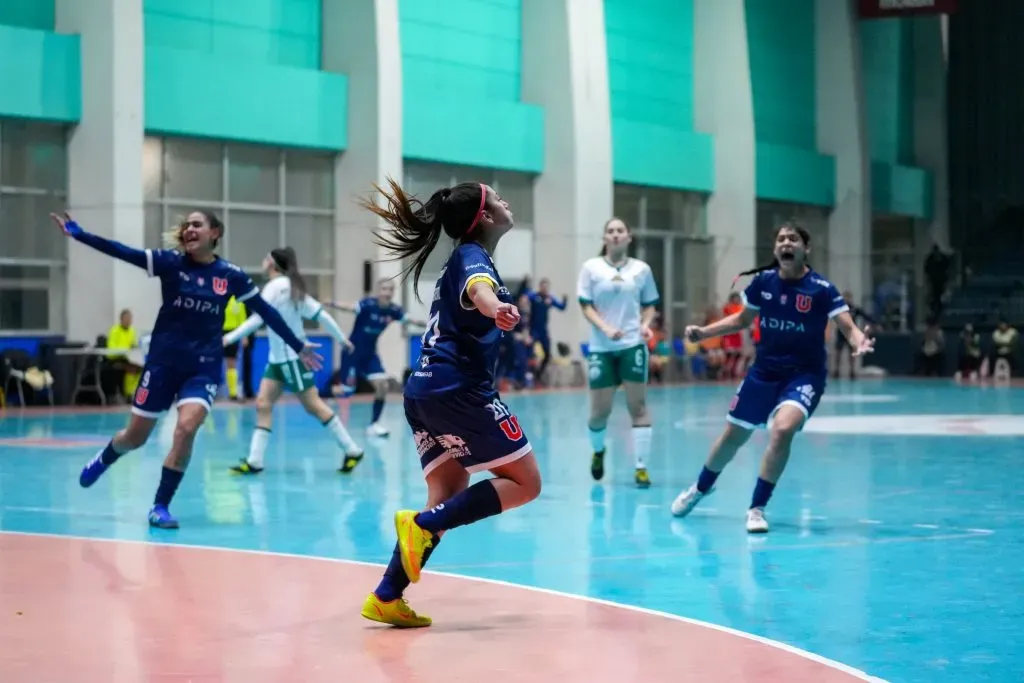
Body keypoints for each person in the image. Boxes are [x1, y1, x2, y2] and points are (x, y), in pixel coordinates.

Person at [57, 210, 321, 529]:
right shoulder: (170, 263)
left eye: (198, 224)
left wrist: (298, 345)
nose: (190, 229)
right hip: (163, 365)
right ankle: (104, 459)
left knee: (186, 428)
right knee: (135, 437)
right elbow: (123, 252)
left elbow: (267, 313)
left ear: (215, 233)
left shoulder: (231, 275)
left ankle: (160, 506)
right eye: (187, 225)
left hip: (203, 368)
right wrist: (80, 234)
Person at [358, 179, 542, 628]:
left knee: (447, 493)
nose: (506, 200)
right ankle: (420, 526)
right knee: (526, 483)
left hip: (422, 391)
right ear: (484, 217)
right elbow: (480, 291)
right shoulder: (473, 258)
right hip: (458, 391)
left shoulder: (460, 260)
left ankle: (387, 594)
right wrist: (495, 306)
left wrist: (491, 304)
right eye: (498, 198)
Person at [670, 222, 873, 533]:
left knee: (782, 429)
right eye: (780, 239)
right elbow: (742, 319)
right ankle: (700, 488)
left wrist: (859, 340)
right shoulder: (763, 283)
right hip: (764, 371)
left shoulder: (821, 289)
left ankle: (757, 508)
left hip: (804, 376)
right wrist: (703, 332)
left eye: (793, 239)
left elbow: (846, 325)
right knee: (733, 436)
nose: (785, 243)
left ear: (806, 249)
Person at [222, 247, 365, 475]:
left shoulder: (276, 287)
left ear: (272, 263)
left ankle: (352, 449)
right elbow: (322, 315)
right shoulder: (291, 287)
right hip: (277, 361)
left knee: (314, 406)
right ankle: (255, 461)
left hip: (291, 359)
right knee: (263, 404)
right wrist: (341, 339)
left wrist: (228, 337)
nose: (263, 260)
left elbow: (258, 319)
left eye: (266, 256)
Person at [578, 218, 659, 488]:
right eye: (610, 231)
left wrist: (645, 326)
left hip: (632, 345)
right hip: (602, 347)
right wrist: (605, 328)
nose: (615, 235)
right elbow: (585, 305)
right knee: (599, 413)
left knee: (638, 406)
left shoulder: (641, 270)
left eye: (620, 231)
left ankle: (642, 467)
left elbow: (649, 305)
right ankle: (598, 451)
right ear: (604, 238)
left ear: (629, 237)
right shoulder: (591, 268)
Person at [328, 279, 424, 437]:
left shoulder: (394, 311)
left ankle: (374, 425)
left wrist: (434, 324)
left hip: (370, 356)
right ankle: (333, 420)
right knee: (345, 392)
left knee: (382, 385)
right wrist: (329, 303)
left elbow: (412, 320)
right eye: (384, 289)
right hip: (351, 354)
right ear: (378, 291)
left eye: (390, 289)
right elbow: (348, 307)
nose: (387, 292)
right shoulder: (368, 305)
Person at [527, 278, 567, 384]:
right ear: (540, 287)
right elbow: (525, 297)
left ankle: (538, 375)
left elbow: (562, 307)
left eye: (546, 287)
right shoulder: (534, 297)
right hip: (533, 330)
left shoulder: (549, 299)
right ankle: (527, 376)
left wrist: (565, 299)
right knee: (530, 352)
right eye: (543, 286)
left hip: (543, 331)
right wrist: (525, 284)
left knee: (547, 355)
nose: (544, 289)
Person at [222, 294, 247, 400]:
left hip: (233, 333)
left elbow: (243, 319)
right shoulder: (219, 297)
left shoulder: (238, 301)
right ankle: (210, 391)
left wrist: (244, 336)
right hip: (218, 332)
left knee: (231, 363)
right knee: (213, 362)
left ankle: (233, 393)